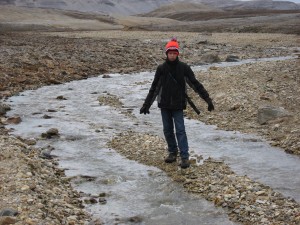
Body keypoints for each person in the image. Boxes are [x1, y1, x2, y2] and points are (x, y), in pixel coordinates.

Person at [140, 37, 214, 169]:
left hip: (178, 105)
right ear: (167, 54)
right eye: (170, 53)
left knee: (180, 130)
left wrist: (207, 99)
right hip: (164, 104)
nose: (172, 55)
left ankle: (184, 157)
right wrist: (146, 104)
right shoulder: (161, 69)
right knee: (168, 130)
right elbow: (154, 87)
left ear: (177, 54)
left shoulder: (184, 68)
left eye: (174, 53)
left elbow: (195, 84)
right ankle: (172, 153)